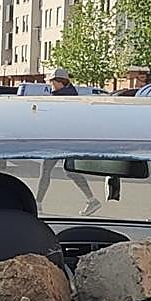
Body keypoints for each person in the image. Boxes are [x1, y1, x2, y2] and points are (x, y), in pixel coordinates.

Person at [37, 68, 100, 216]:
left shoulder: (62, 97)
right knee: (69, 171)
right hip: (67, 139)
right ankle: (92, 200)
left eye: (53, 82)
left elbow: (54, 120)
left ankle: (38, 204)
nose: (51, 85)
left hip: (59, 141)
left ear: (60, 82)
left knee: (48, 170)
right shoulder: (70, 95)